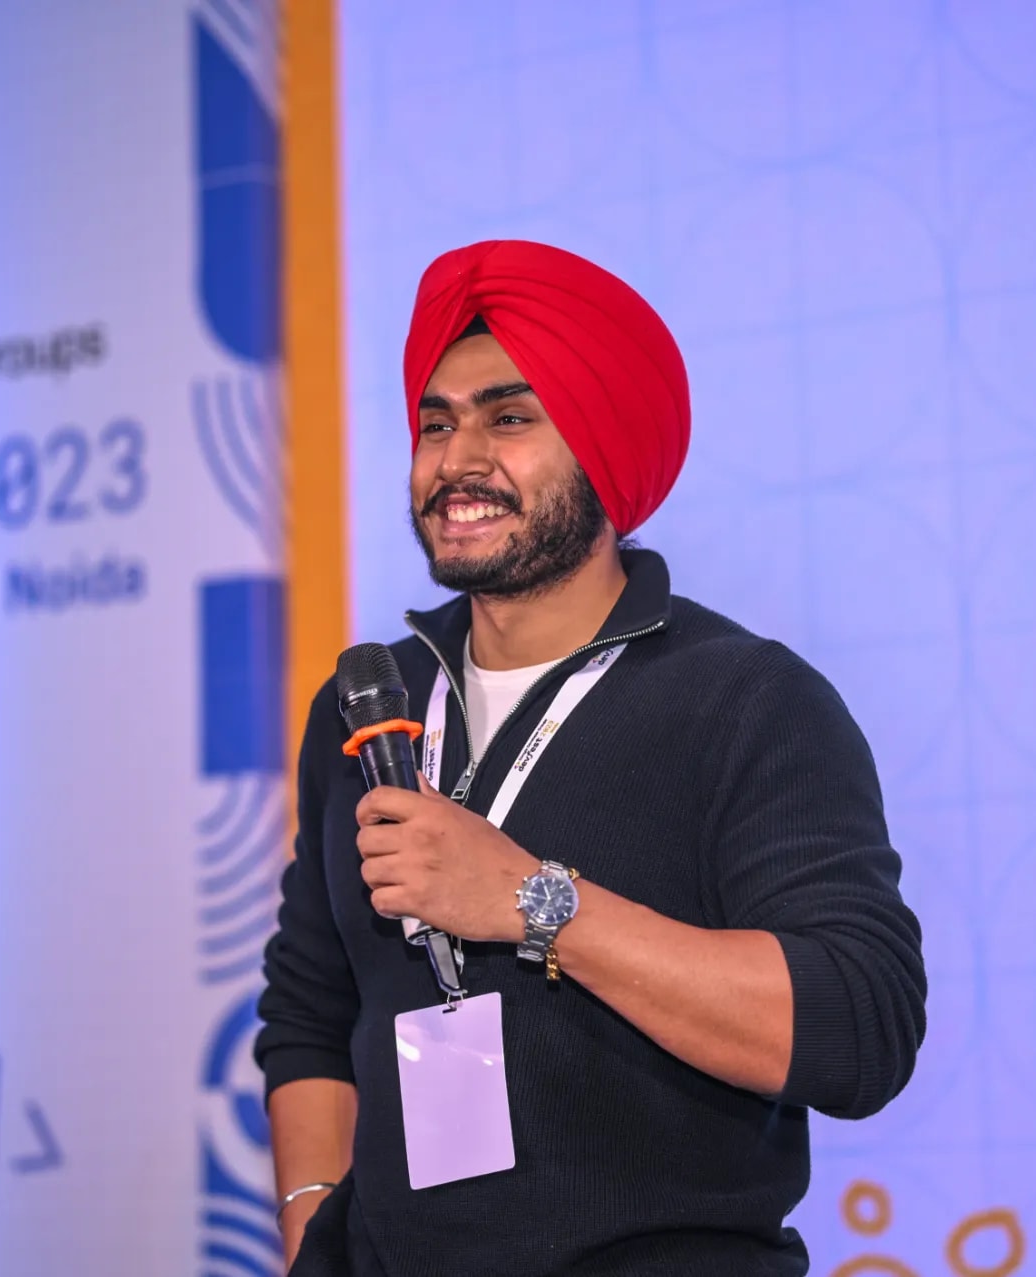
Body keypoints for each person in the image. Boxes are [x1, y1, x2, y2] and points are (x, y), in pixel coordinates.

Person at [256, 239, 925, 1276]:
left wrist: (530, 900)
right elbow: (311, 1007)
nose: (456, 460)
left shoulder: (746, 699)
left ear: (605, 447)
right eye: (436, 423)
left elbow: (858, 1024)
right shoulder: (370, 704)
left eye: (509, 418)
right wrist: (312, 1217)